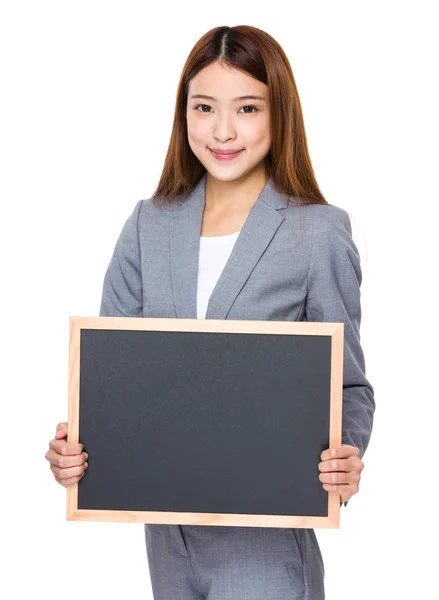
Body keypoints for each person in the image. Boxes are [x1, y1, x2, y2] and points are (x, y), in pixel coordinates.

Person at [45, 24, 375, 600]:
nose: (223, 130)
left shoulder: (317, 232)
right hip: (166, 541)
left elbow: (349, 385)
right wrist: (73, 450)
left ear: (279, 116)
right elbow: (109, 382)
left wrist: (344, 455)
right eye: (205, 108)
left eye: (247, 108)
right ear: (185, 115)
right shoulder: (149, 225)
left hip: (265, 546)